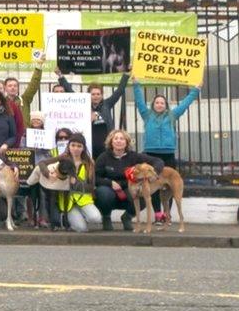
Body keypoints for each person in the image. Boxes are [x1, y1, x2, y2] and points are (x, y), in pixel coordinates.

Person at [132, 78, 199, 224]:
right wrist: (136, 84)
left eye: (162, 102)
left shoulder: (172, 115)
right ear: (153, 105)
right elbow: (139, 101)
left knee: (170, 188)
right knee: (152, 186)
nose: (159, 104)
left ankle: (167, 215)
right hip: (151, 155)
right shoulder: (146, 115)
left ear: (166, 105)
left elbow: (185, 103)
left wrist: (196, 89)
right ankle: (157, 215)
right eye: (157, 102)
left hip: (168, 155)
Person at [95, 129, 166, 231]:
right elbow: (95, 178)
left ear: (127, 142)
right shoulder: (103, 157)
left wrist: (153, 172)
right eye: (116, 138)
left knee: (143, 194)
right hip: (109, 190)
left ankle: (127, 217)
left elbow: (158, 161)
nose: (119, 141)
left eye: (122, 139)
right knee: (102, 193)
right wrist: (109, 183)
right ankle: (106, 217)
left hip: (129, 190)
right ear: (111, 141)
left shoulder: (134, 156)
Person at [57, 69, 130, 156]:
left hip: (105, 146)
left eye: (98, 94)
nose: (96, 96)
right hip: (89, 145)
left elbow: (119, 91)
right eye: (93, 94)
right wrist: (60, 76)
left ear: (102, 95)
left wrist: (126, 74)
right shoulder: (83, 105)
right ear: (88, 95)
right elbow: (71, 92)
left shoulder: (107, 104)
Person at [37, 133, 101, 233]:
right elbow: (42, 163)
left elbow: (91, 187)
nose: (76, 148)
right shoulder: (63, 158)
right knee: (82, 229)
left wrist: (76, 184)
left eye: (79, 146)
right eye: (73, 145)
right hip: (67, 202)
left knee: (96, 219)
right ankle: (70, 218)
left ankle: (81, 215)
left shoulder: (89, 162)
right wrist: (48, 174)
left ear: (83, 148)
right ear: (69, 146)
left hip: (83, 199)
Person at [0, 54, 45, 128]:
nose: (13, 88)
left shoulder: (24, 100)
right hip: (7, 136)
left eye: (15, 86)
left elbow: (34, 85)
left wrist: (39, 66)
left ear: (18, 88)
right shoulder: (0, 101)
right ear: (5, 88)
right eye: (10, 86)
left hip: (23, 135)